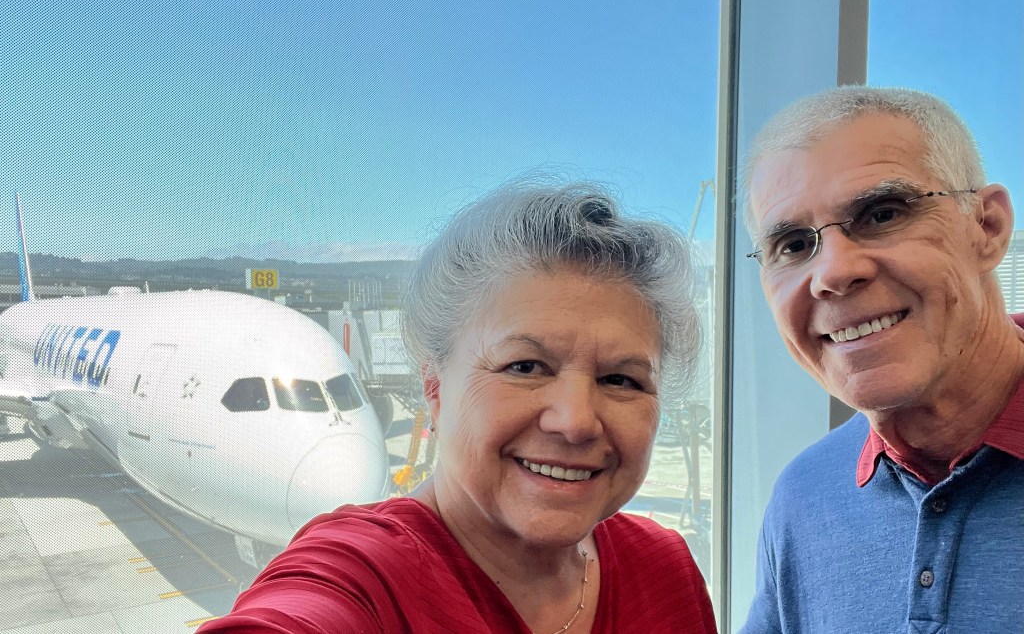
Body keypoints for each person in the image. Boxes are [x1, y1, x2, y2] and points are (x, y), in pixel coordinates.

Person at [199, 182, 718, 633]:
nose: (577, 421)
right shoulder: (365, 575)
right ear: (434, 385)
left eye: (621, 379)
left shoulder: (663, 567)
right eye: (525, 367)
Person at [738, 86, 1023, 633]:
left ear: (987, 227)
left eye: (882, 214)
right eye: (793, 245)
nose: (833, 272)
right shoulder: (804, 495)